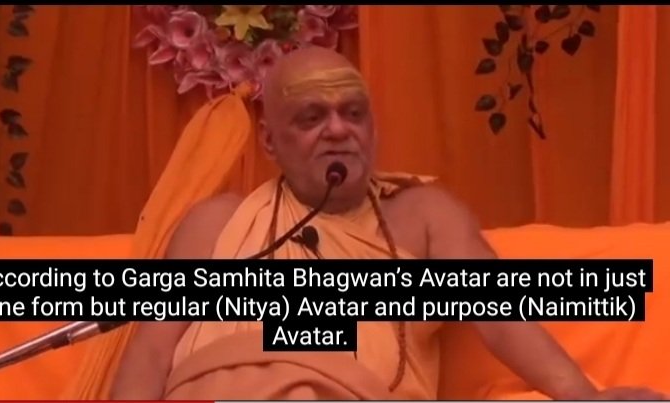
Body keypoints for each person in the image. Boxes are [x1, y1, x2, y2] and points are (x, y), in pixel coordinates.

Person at [108, 46, 666, 400]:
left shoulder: (423, 215)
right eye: (311, 117)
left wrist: (584, 398)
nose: (338, 130)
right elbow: (150, 355)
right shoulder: (215, 223)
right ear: (270, 142)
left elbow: (500, 315)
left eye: (353, 113)